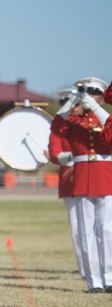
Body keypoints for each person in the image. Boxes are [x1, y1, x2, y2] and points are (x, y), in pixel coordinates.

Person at [51, 77, 111, 292]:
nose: (89, 96)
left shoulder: (105, 117)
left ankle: (109, 277)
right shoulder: (73, 120)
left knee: (107, 230)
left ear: (101, 97)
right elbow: (56, 127)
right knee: (86, 231)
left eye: (94, 92)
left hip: (106, 175)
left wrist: (96, 106)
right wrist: (72, 101)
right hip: (83, 175)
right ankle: (94, 281)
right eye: (87, 92)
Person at [48, 89, 84, 277]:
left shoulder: (87, 122)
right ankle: (84, 267)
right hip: (70, 178)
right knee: (78, 227)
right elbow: (55, 155)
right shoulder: (59, 128)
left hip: (92, 176)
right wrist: (75, 156)